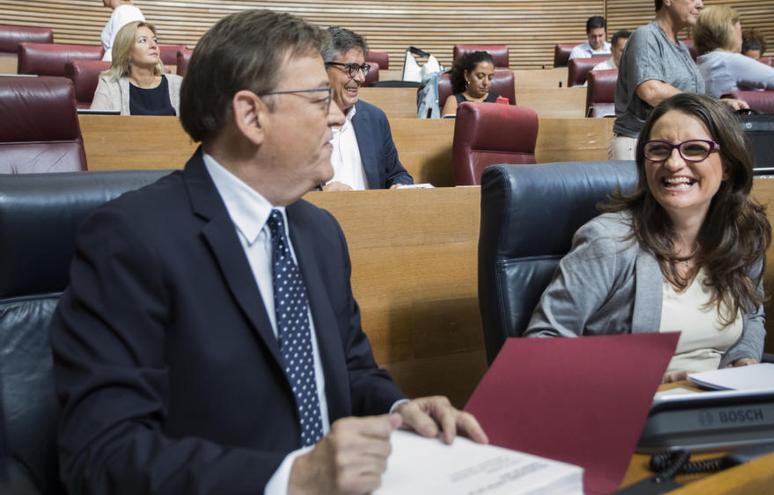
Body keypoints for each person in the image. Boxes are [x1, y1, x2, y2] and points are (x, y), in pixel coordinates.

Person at [52, 10, 487, 495]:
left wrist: (396, 409)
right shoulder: (129, 241)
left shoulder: (320, 233)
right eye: (320, 97)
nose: (339, 115)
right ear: (251, 115)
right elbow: (101, 453)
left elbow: (350, 368)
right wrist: (290, 480)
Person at [526, 93, 770, 383]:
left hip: (722, 407)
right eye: (659, 149)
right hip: (629, 409)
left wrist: (744, 360)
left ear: (728, 165)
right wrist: (646, 378)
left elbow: (753, 317)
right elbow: (542, 344)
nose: (674, 163)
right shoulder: (609, 242)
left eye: (694, 149)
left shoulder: (742, 234)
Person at [612, 0, 749, 161]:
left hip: (674, 144)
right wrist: (707, 104)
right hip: (641, 145)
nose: (700, 5)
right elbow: (651, 91)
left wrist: (717, 105)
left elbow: (690, 96)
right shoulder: (646, 36)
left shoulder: (682, 48)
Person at [321, 27, 414, 191]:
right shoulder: (300, 121)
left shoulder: (374, 118)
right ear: (323, 69)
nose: (361, 78)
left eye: (362, 68)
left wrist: (399, 186)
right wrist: (321, 194)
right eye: (351, 68)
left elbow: (397, 174)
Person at [695, 6, 774, 98]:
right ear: (729, 30)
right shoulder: (729, 61)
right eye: (740, 29)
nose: (741, 38)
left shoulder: (701, 63)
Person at [91, 21, 182, 115]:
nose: (153, 45)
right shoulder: (110, 85)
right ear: (126, 51)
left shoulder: (179, 84)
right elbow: (94, 124)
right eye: (143, 40)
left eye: (155, 40)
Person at [441, 51, 499, 116]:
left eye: (490, 78)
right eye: (480, 76)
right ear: (467, 76)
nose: (486, 82)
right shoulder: (454, 101)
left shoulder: (499, 101)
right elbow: (447, 126)